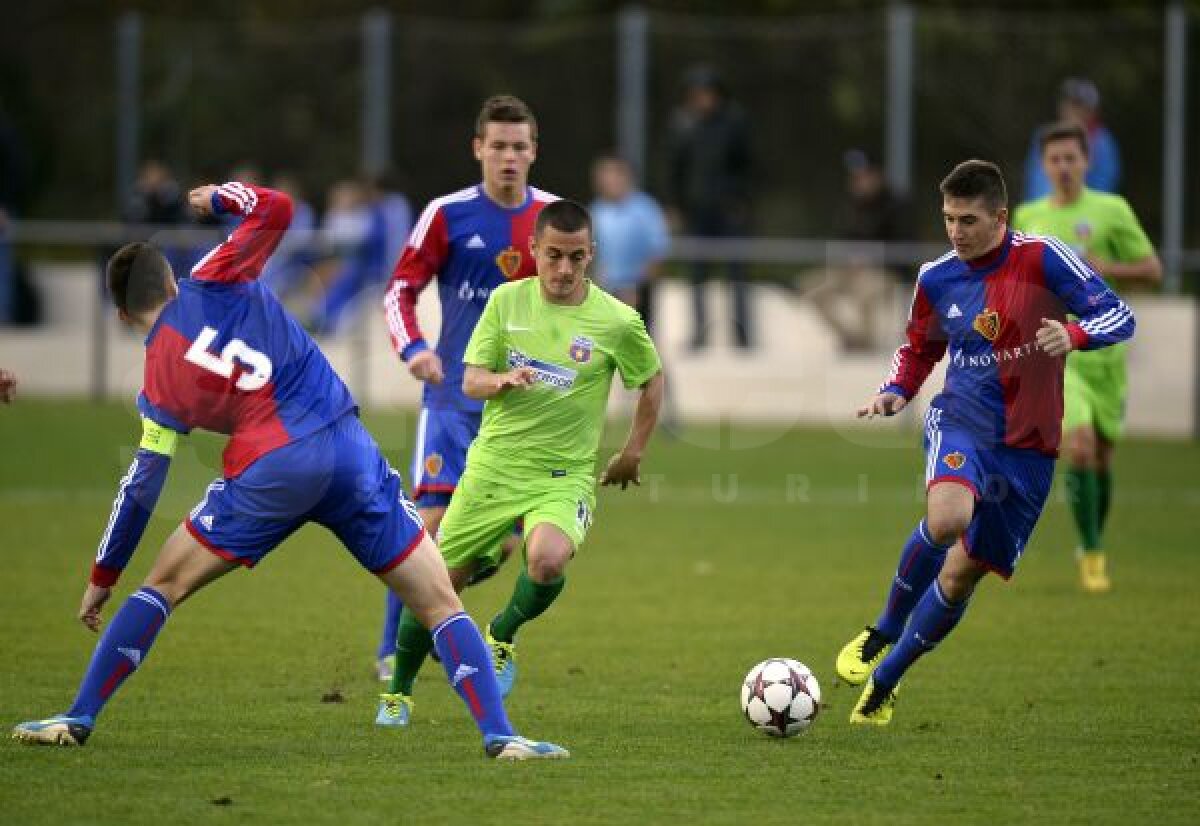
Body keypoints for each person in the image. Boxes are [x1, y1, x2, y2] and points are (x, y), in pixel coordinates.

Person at [10, 181, 565, 760]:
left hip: (269, 473)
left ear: (123, 315)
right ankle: (500, 735)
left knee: (164, 585)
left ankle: (78, 715)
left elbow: (142, 485)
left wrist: (103, 575)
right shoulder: (213, 273)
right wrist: (218, 199)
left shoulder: (156, 384)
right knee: (440, 603)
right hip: (346, 451)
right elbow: (277, 208)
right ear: (171, 279)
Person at [835, 160, 1134, 725]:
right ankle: (883, 629)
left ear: (1000, 217)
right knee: (948, 518)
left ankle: (886, 679)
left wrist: (1073, 334)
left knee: (959, 575)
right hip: (962, 421)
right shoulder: (936, 278)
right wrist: (896, 390)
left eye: (968, 220)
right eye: (948, 219)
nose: (956, 231)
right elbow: (918, 349)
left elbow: (1118, 314)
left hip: (1030, 446)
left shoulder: (1043, 259)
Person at [376, 200, 664, 727]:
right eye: (553, 255)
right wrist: (501, 381)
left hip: (562, 476)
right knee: (435, 585)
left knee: (548, 560)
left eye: (576, 257)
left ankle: (502, 635)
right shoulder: (506, 301)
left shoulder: (618, 321)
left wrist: (633, 451)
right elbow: (470, 380)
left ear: (591, 255)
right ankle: (399, 692)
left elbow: (651, 378)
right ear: (534, 250)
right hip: (493, 471)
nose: (564, 269)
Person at [375, 95, 555, 682]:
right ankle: (391, 649)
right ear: (478, 148)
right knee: (428, 527)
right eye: (498, 145)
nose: (509, 157)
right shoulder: (446, 214)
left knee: (499, 547)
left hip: (520, 409)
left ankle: (436, 616)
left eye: (519, 146)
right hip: (452, 399)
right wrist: (414, 348)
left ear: (534, 152)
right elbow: (399, 288)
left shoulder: (550, 218)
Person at [1012, 122, 1161, 592]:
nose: (1063, 167)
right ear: (1043, 165)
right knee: (1078, 445)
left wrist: (1107, 267)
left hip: (1105, 352)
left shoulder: (1111, 210)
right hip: (1058, 355)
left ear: (1086, 161)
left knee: (1102, 458)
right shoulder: (1029, 216)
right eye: (1054, 159)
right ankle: (1092, 553)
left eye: (1070, 158)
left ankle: (1093, 539)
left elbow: (1152, 270)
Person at [663, 65, 753, 351]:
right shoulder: (683, 124)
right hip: (696, 210)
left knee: (736, 272)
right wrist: (674, 206)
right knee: (696, 273)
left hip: (728, 209)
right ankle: (699, 331)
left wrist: (741, 200)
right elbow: (674, 170)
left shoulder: (733, 123)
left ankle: (743, 332)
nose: (703, 100)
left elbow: (746, 166)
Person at [807, 149, 913, 351]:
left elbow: (904, 247)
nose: (858, 181)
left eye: (863, 176)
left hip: (886, 271)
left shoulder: (897, 205)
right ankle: (853, 339)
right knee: (812, 288)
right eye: (855, 177)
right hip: (850, 270)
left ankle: (866, 348)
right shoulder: (851, 205)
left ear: (877, 176)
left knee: (865, 292)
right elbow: (842, 239)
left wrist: (870, 259)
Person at [590, 154, 670, 331]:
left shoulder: (646, 208)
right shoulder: (597, 209)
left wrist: (639, 287)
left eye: (614, 174)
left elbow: (658, 251)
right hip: (605, 290)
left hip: (638, 290)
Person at [1023, 78, 1120, 201]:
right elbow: (1036, 181)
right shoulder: (1044, 135)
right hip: (1048, 207)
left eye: (1078, 105)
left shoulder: (1102, 142)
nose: (1071, 109)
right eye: (1067, 103)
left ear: (1092, 111)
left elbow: (1105, 184)